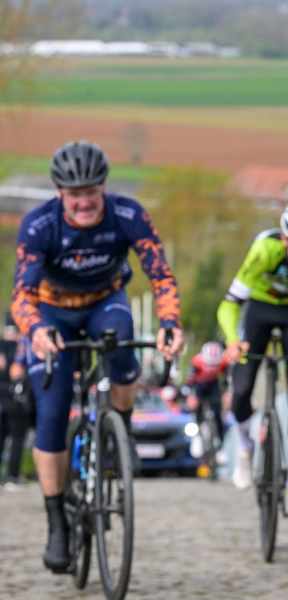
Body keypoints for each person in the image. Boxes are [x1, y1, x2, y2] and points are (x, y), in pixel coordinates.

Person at [11, 140, 184, 573]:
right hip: (53, 313)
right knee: (51, 412)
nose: (85, 201)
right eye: (75, 194)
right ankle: (56, 522)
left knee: (122, 345)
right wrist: (35, 330)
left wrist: (169, 324)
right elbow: (21, 296)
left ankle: (118, 430)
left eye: (91, 191)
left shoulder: (127, 214)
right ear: (59, 194)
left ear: (103, 188)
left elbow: (160, 275)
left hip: (106, 302)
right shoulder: (39, 226)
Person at [216, 200, 288, 515]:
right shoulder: (263, 253)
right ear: (285, 241)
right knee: (243, 388)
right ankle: (246, 450)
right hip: (260, 309)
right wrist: (234, 341)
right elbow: (229, 304)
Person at [0, 314, 32, 488]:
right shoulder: (21, 346)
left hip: (6, 396)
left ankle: (10, 475)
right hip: (16, 398)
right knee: (17, 438)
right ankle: (12, 475)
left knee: (4, 436)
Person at [183, 340, 229, 458]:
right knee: (195, 409)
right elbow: (189, 381)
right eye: (209, 364)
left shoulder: (224, 361)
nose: (211, 367)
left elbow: (227, 380)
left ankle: (220, 444)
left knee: (218, 412)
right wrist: (190, 395)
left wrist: (226, 393)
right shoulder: (196, 362)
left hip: (214, 384)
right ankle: (197, 436)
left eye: (214, 365)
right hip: (199, 385)